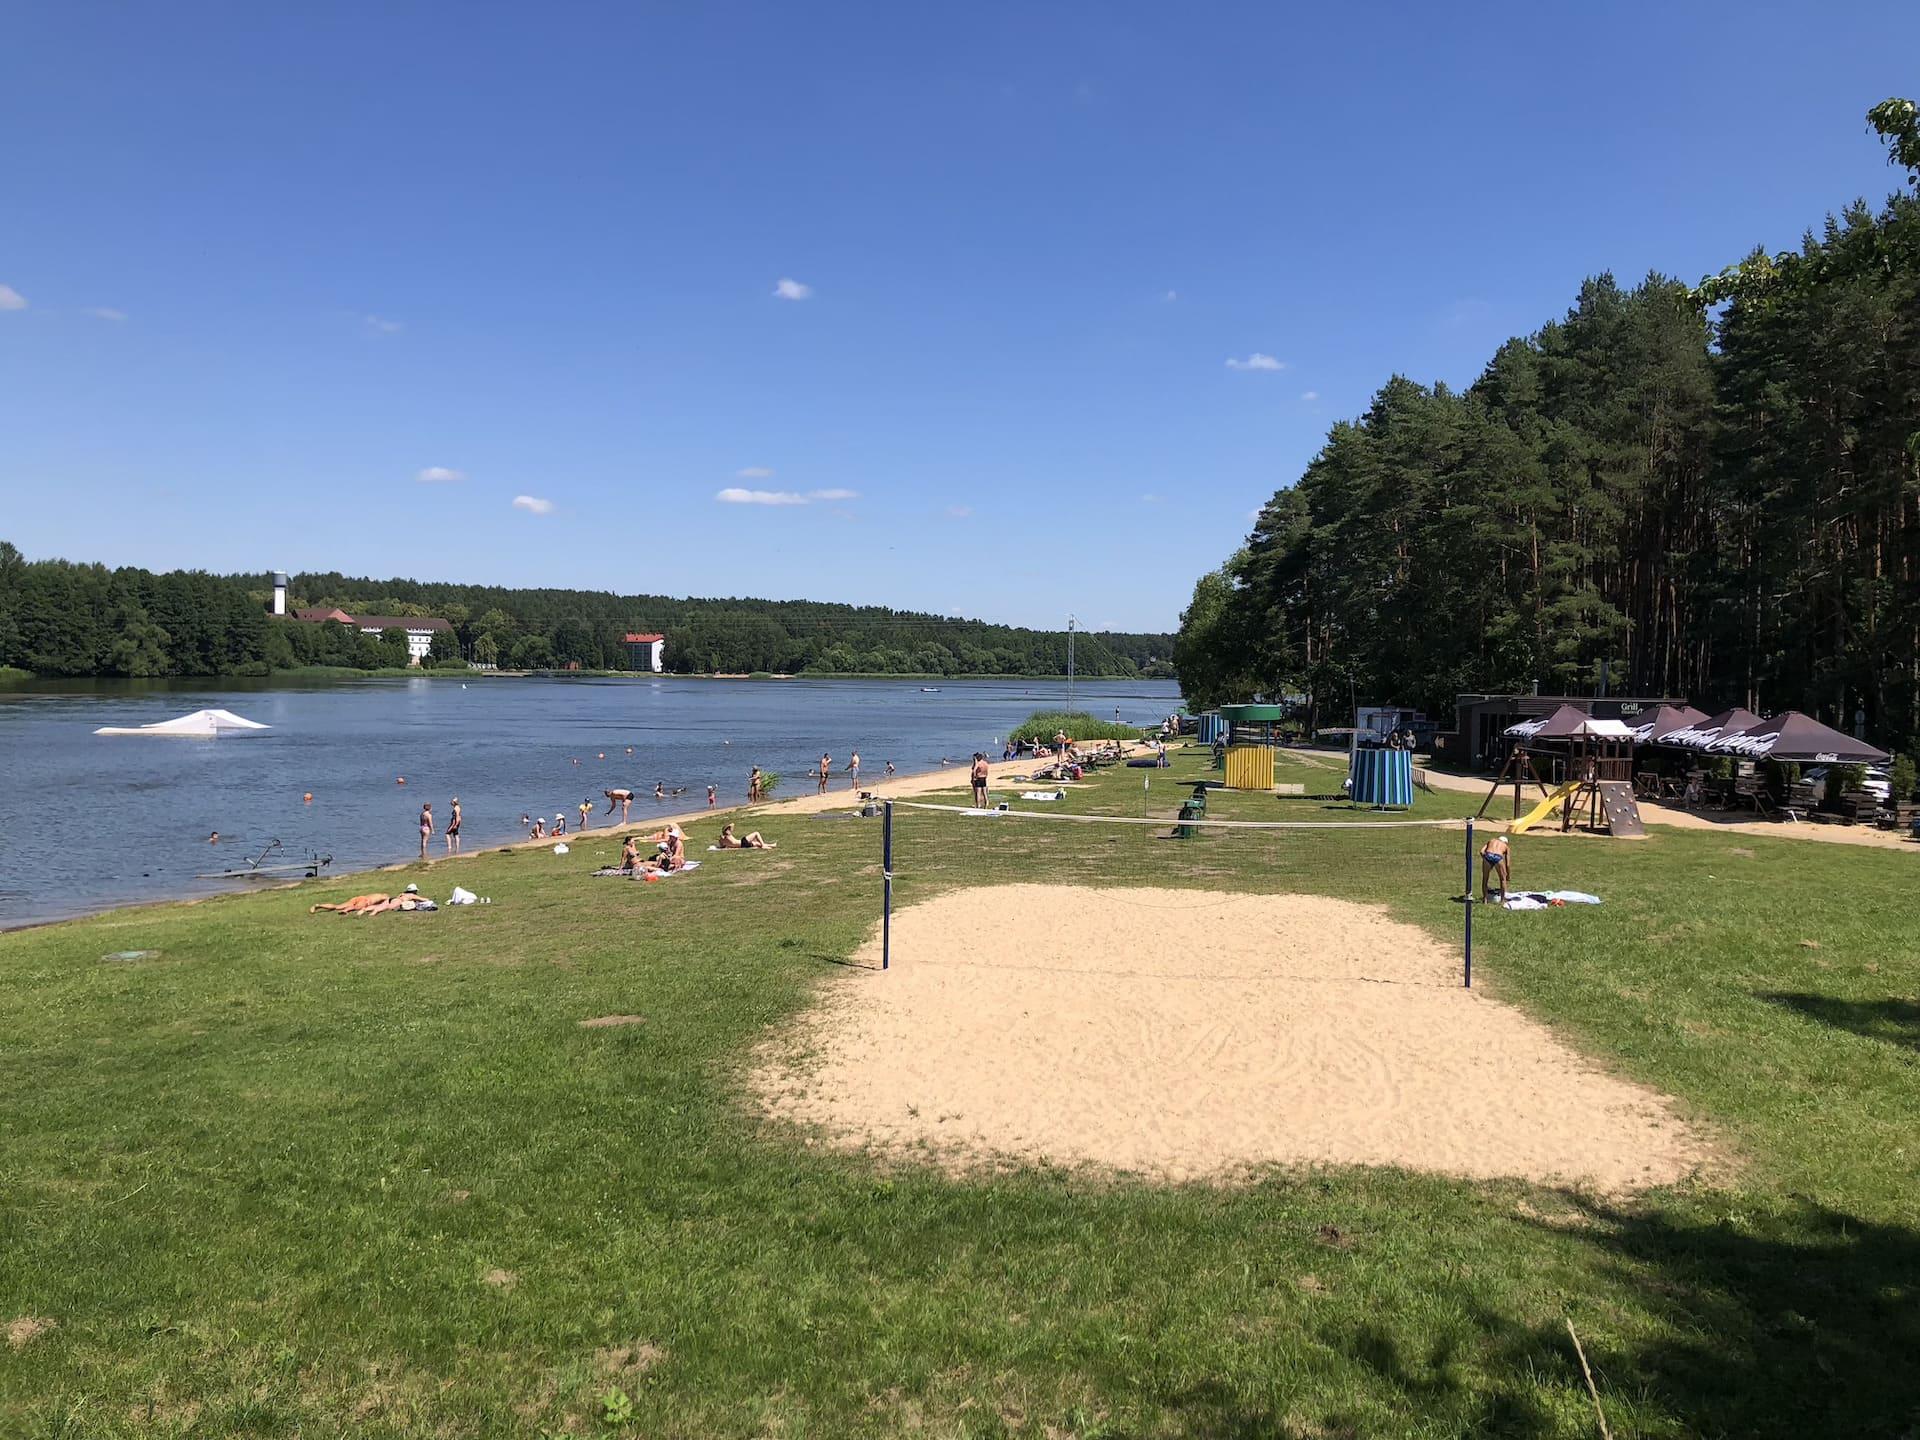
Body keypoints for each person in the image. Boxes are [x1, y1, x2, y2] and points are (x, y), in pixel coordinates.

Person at [1480, 833, 1512, 902]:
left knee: (1485, 879)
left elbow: (1481, 851)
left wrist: (1487, 859)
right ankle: (1502, 900)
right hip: (1498, 857)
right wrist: (1508, 875)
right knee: (1502, 880)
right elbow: (1508, 864)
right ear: (1506, 842)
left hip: (1488, 855)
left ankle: (1485, 899)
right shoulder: (1506, 846)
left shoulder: (1491, 840)